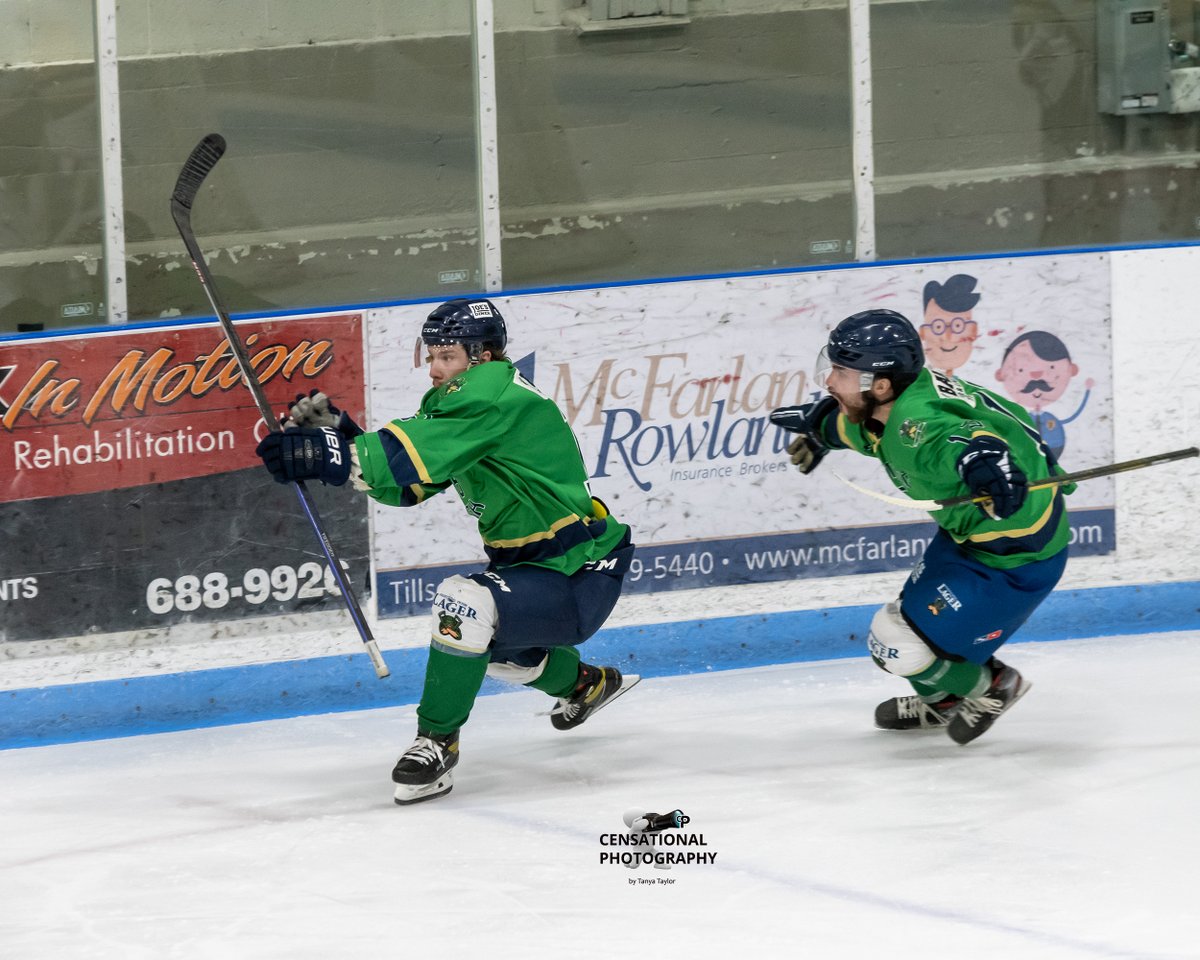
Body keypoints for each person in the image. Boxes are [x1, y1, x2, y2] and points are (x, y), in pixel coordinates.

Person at [256, 298, 638, 803]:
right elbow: (408, 484)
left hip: (577, 572)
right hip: (542, 571)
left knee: (465, 604)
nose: (434, 368)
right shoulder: (463, 402)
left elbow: (397, 460)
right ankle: (587, 684)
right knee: (495, 653)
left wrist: (329, 454)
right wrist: (346, 441)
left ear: (481, 355)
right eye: (431, 355)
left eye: (447, 356)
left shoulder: (489, 392)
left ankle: (436, 743)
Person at [770, 309, 1072, 745]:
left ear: (881, 384)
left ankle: (991, 687)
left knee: (897, 645)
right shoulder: (895, 406)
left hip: (1015, 563)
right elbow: (865, 431)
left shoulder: (915, 428)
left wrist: (983, 459)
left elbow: (955, 439)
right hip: (970, 541)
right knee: (897, 639)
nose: (829, 382)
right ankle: (945, 701)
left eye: (840, 371)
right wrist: (821, 430)